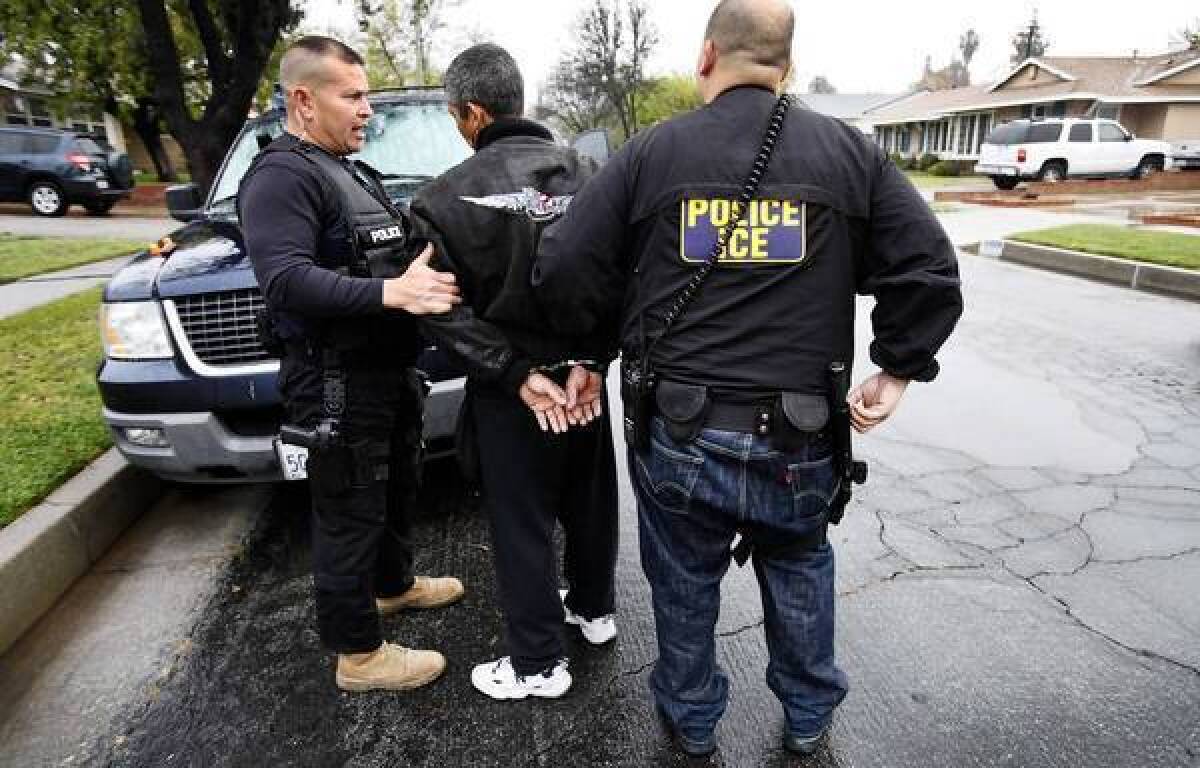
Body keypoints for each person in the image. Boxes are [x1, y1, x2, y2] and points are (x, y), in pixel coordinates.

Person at [533, 0, 963, 757]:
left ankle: (693, 724)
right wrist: (896, 370)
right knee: (799, 565)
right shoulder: (846, 154)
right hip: (800, 433)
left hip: (681, 431)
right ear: (787, 66)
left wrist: (586, 351)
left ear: (705, 58)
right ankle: (806, 716)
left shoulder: (649, 154)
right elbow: (928, 269)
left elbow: (566, 265)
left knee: (682, 578)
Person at [239, 35, 467, 693]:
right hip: (333, 382)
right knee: (347, 511)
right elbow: (285, 280)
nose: (368, 110)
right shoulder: (282, 176)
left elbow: (378, 250)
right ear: (304, 100)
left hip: (382, 372)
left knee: (395, 485)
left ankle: (392, 587)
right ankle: (358, 656)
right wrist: (392, 293)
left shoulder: (350, 169)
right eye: (354, 95)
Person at [407, 43, 619, 700]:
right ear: (518, 101)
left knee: (519, 518)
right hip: (583, 385)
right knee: (590, 500)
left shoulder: (440, 201)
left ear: (472, 113)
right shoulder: (595, 176)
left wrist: (513, 371)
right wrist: (592, 361)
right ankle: (593, 609)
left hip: (511, 389)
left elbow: (433, 306)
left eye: (454, 116)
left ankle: (537, 664)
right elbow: (627, 280)